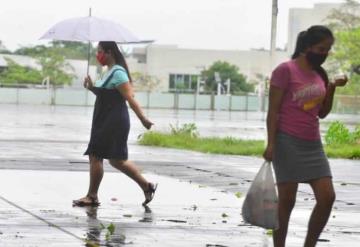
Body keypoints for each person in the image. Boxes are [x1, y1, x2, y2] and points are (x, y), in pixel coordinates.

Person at [263, 25, 348, 247]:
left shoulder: (319, 74)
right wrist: (271, 143)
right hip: (287, 141)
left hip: (312, 144)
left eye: (328, 50)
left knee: (327, 197)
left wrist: (331, 88)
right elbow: (273, 111)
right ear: (307, 47)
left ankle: (309, 245)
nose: (325, 54)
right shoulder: (285, 71)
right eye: (321, 49)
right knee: (287, 201)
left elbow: (322, 112)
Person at [73, 41, 157, 207]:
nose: (98, 55)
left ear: (110, 52)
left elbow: (129, 98)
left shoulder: (118, 72)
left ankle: (92, 196)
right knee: (116, 161)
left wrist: (143, 119)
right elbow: (106, 95)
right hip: (103, 119)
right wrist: (91, 87)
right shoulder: (107, 72)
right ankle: (147, 186)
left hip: (113, 121)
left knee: (96, 155)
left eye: (100, 51)